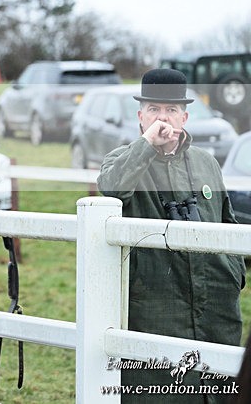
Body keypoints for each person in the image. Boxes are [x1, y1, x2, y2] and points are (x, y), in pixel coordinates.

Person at [97, 68, 244, 402]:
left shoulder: (207, 163)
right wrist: (147, 145)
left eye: (171, 110)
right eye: (153, 109)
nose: (162, 118)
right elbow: (112, 189)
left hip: (216, 309)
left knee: (219, 390)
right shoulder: (120, 160)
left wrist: (234, 276)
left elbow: (229, 223)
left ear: (185, 117)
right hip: (157, 310)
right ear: (140, 116)